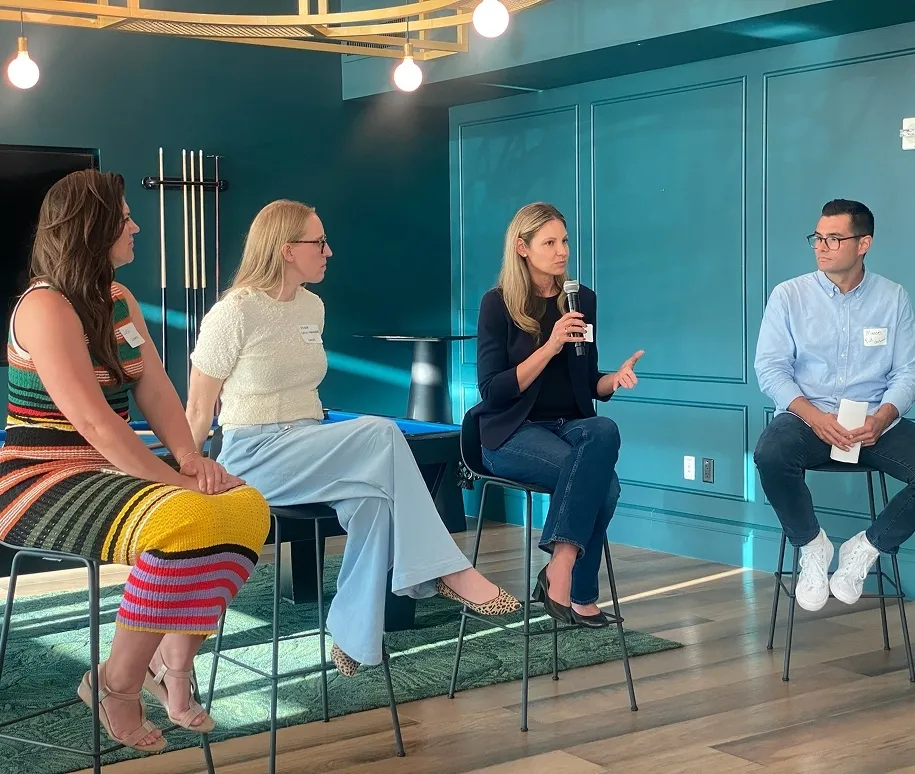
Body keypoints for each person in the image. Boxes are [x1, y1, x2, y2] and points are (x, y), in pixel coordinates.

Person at [185, 199, 521, 677]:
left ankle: (351, 634)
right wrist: (185, 470)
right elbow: (199, 407)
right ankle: (447, 568)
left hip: (308, 439)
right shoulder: (233, 312)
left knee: (375, 504)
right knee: (382, 432)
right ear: (285, 249)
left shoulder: (312, 306)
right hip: (253, 454)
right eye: (318, 242)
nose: (329, 250)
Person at [0, 170, 271, 752]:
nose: (136, 225)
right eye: (124, 217)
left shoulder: (116, 299)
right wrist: (177, 482)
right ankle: (115, 685)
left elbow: (156, 392)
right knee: (187, 517)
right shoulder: (44, 307)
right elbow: (95, 423)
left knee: (246, 508)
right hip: (39, 477)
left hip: (111, 466)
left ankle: (173, 661)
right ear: (91, 228)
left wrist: (190, 459)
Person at [472, 202, 644, 627]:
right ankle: (577, 591)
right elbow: (492, 391)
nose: (562, 250)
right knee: (602, 487)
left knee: (604, 428)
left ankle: (558, 569)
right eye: (549, 242)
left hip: (570, 427)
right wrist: (549, 347)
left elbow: (588, 384)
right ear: (522, 247)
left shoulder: (580, 299)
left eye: (564, 240)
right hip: (510, 431)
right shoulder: (498, 304)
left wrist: (613, 380)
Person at [754, 198, 915, 612]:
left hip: (872, 423)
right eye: (817, 237)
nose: (821, 246)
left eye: (833, 237)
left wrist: (882, 417)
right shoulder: (789, 295)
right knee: (771, 454)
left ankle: (867, 548)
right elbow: (770, 369)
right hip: (807, 418)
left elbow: (907, 374)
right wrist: (814, 416)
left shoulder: (893, 298)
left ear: (864, 244)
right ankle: (812, 546)